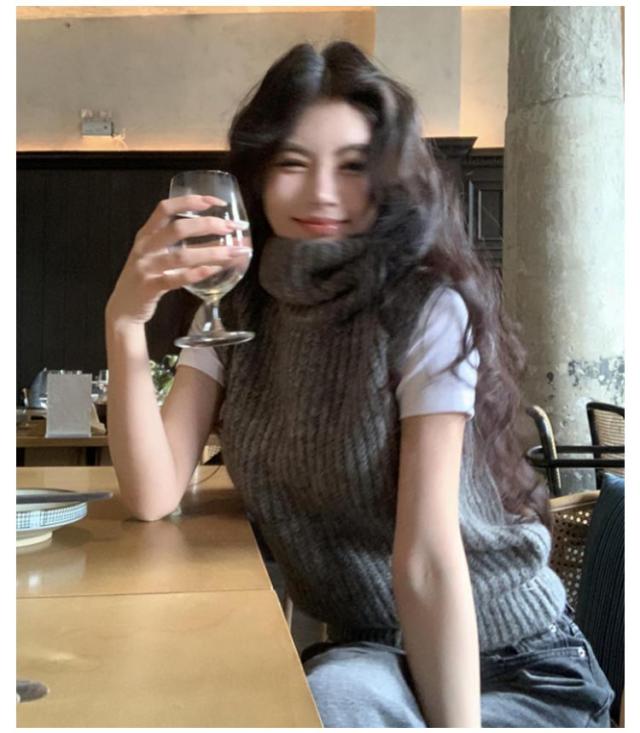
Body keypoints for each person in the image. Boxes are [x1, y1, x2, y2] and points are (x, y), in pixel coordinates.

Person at [105, 42, 615, 727]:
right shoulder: (241, 307)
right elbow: (153, 493)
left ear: (387, 179)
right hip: (374, 655)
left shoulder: (423, 308)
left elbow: (427, 561)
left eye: (351, 167)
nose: (321, 193)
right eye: (293, 163)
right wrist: (125, 319)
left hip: (508, 659)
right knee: (312, 701)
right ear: (257, 176)